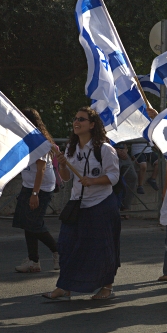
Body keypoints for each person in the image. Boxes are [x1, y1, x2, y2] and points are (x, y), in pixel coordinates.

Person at [42, 106, 121, 300]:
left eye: (82, 119)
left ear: (92, 125)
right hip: (78, 205)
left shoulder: (104, 149)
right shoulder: (71, 147)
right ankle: (64, 286)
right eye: (76, 118)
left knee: (103, 248)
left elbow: (114, 176)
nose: (76, 122)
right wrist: (62, 164)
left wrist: (93, 181)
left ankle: (107, 287)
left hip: (101, 204)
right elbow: (67, 178)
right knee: (67, 245)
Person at [12, 108, 59, 273]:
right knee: (27, 223)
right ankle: (33, 261)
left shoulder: (40, 141)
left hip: (41, 188)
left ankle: (58, 251)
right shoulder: (25, 139)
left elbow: (41, 170)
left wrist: (35, 194)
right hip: (29, 185)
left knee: (34, 223)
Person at [114, 142, 138, 218]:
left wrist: (124, 149)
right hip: (109, 150)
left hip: (122, 149)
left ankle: (125, 207)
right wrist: (115, 150)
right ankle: (115, 208)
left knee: (132, 177)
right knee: (113, 178)